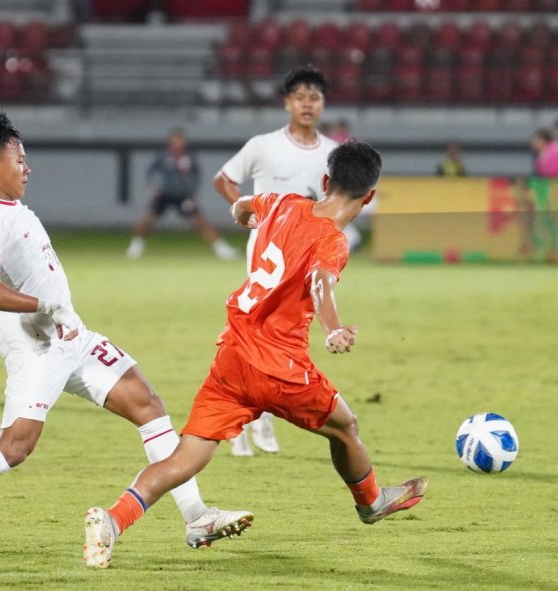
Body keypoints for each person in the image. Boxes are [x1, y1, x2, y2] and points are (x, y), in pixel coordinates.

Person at [0, 112, 250, 552]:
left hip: (70, 333)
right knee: (14, 448)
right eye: (19, 159)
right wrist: (44, 306)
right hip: (38, 345)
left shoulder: (4, 209)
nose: (27, 168)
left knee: (148, 403)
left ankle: (196, 517)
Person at [83, 141, 428, 569]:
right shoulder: (333, 241)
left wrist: (247, 215)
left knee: (185, 459)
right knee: (345, 426)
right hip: (280, 368)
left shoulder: (282, 202)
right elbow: (321, 282)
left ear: (324, 181)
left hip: (232, 357)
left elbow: (242, 207)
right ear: (370, 196)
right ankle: (371, 501)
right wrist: (334, 328)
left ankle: (112, 522)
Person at [213, 65, 353, 456]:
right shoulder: (263, 145)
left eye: (315, 97)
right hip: (269, 254)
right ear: (288, 102)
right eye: (301, 97)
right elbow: (223, 178)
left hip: (309, 256)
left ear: (323, 104)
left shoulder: (331, 155)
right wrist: (246, 213)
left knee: (289, 331)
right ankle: (244, 420)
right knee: (256, 329)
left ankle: (261, 414)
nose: (308, 104)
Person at [126, 128, 238, 260]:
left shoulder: (189, 157)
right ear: (171, 141)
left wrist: (193, 193)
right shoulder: (163, 156)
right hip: (164, 194)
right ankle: (136, 245)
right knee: (146, 219)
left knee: (200, 221)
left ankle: (221, 248)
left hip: (183, 196)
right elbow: (150, 172)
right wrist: (152, 187)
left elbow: (196, 176)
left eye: (181, 140)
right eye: (176, 140)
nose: (179, 143)